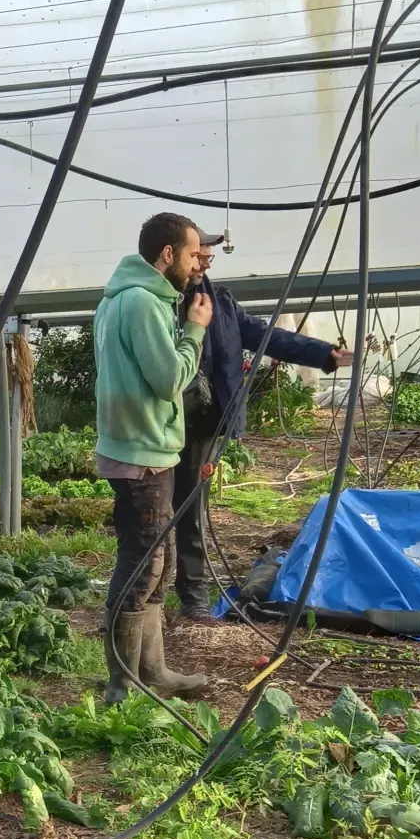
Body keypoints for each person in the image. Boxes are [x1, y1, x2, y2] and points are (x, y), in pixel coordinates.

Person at [170, 222, 350, 623]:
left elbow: (266, 336)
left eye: (206, 256)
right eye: (197, 254)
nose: (202, 262)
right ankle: (185, 590)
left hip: (207, 423)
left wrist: (325, 355)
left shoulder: (221, 302)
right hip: (172, 420)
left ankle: (190, 589)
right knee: (175, 508)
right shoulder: (165, 302)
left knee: (190, 507)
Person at [91, 211, 220, 702]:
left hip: (136, 448)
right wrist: (195, 330)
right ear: (168, 255)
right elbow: (169, 380)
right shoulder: (143, 304)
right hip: (142, 454)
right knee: (141, 567)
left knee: (154, 565)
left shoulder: (117, 301)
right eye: (191, 255)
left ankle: (153, 671)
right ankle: (122, 686)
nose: (195, 264)